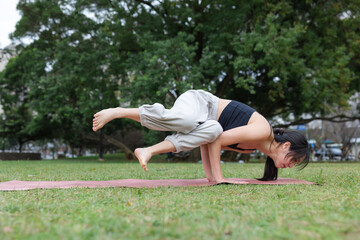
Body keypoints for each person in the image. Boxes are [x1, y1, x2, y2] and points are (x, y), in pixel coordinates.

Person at [92, 90, 309, 184]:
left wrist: (210, 179)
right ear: (286, 145)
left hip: (207, 124)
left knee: (210, 130)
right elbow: (217, 140)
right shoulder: (263, 131)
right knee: (186, 121)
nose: (292, 165)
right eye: (295, 159)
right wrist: (220, 178)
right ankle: (118, 111)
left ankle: (148, 150)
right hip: (200, 103)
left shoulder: (251, 149)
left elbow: (208, 142)